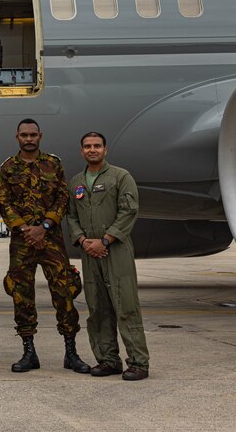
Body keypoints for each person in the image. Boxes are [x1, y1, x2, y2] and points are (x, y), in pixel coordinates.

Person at [0, 119, 91, 374]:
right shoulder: (8, 167)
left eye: (33, 135)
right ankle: (29, 352)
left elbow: (63, 197)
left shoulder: (54, 163)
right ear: (17, 137)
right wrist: (24, 229)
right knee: (21, 294)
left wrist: (45, 227)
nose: (29, 139)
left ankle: (71, 352)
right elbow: (4, 202)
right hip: (22, 241)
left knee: (64, 292)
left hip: (51, 239)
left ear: (40, 136)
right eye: (24, 135)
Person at [66, 132, 150, 381]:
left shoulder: (120, 177)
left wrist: (105, 240)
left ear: (105, 149)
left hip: (115, 250)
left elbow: (129, 211)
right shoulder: (77, 182)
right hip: (89, 252)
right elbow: (71, 215)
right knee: (98, 308)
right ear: (81, 151)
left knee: (125, 306)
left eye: (97, 146)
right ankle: (108, 360)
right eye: (88, 147)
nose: (92, 150)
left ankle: (138, 362)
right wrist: (83, 241)